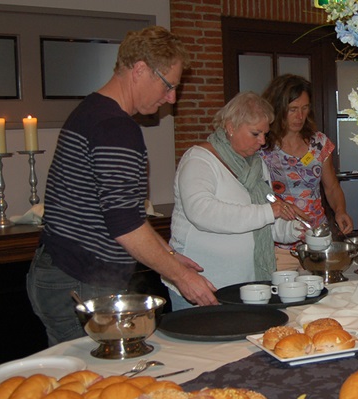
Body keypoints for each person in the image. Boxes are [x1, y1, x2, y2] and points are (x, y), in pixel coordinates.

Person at [27, 26, 218, 346]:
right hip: (80, 278)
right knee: (96, 382)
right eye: (169, 85)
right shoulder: (116, 128)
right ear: (140, 69)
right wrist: (181, 276)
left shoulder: (90, 110)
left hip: (58, 271)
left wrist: (169, 253)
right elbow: (126, 225)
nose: (171, 98)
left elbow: (122, 213)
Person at [163, 92, 306, 310]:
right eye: (255, 133)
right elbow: (202, 213)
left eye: (265, 134)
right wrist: (270, 211)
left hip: (248, 287)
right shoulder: (199, 160)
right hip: (202, 287)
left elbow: (264, 223)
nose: (262, 141)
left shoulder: (256, 167)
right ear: (230, 126)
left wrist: (293, 229)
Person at [260, 74, 354, 269]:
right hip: (279, 243)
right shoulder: (263, 145)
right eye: (292, 109)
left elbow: (332, 187)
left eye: (304, 108)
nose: (299, 116)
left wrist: (340, 210)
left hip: (316, 239)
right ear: (278, 109)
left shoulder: (318, 143)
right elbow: (256, 191)